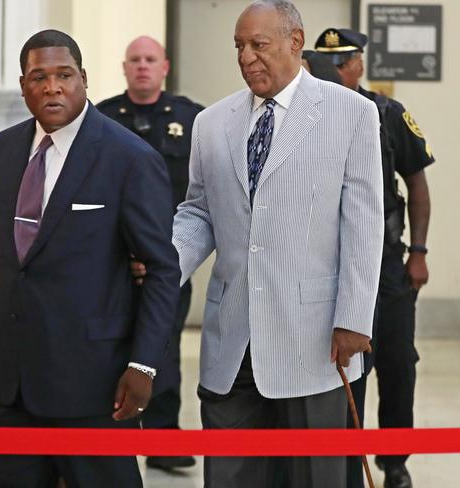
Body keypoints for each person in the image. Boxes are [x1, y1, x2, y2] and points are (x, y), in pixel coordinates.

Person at [134, 1, 384, 486]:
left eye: (259, 44)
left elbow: (364, 223)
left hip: (314, 342)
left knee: (313, 477)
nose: (247, 56)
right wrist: (162, 262)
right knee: (230, 476)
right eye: (239, 47)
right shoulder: (212, 123)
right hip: (233, 342)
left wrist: (353, 319)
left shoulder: (352, 114)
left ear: (295, 42)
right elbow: (200, 212)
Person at [0, 29, 180, 488]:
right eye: (38, 77)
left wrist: (144, 364)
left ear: (83, 78)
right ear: (23, 85)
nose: (52, 87)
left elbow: (162, 270)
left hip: (93, 384)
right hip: (9, 381)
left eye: (64, 75)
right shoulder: (1, 150)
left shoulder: (128, 157)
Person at [316, 27, 435, 488]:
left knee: (398, 361)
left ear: (359, 64)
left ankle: (395, 460)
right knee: (345, 365)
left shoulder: (387, 113)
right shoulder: (313, 114)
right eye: (328, 63)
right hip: (332, 263)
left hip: (387, 263)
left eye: (344, 62)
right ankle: (345, 460)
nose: (337, 70)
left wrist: (419, 252)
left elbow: (417, 187)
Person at [96, 35, 203, 471]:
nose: (142, 66)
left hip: (168, 261)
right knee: (108, 348)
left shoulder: (191, 119)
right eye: (135, 60)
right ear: (125, 68)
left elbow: (199, 197)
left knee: (163, 350)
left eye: (150, 60)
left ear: (165, 67)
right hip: (112, 263)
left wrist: (169, 254)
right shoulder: (101, 118)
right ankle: (111, 438)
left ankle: (162, 438)